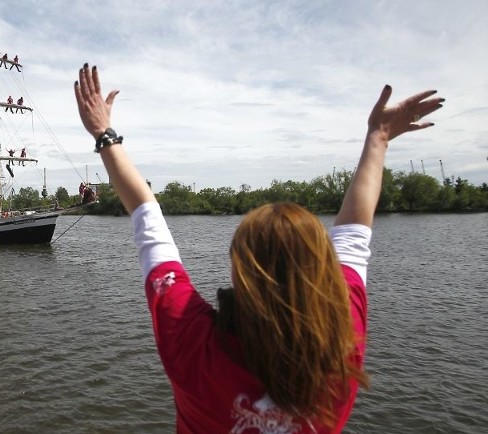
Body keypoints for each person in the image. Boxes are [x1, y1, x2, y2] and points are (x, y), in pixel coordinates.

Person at [73, 63, 444, 433]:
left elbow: (146, 220)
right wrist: (378, 137)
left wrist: (104, 133)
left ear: (240, 272)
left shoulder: (194, 344)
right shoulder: (340, 347)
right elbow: (354, 234)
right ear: (321, 272)